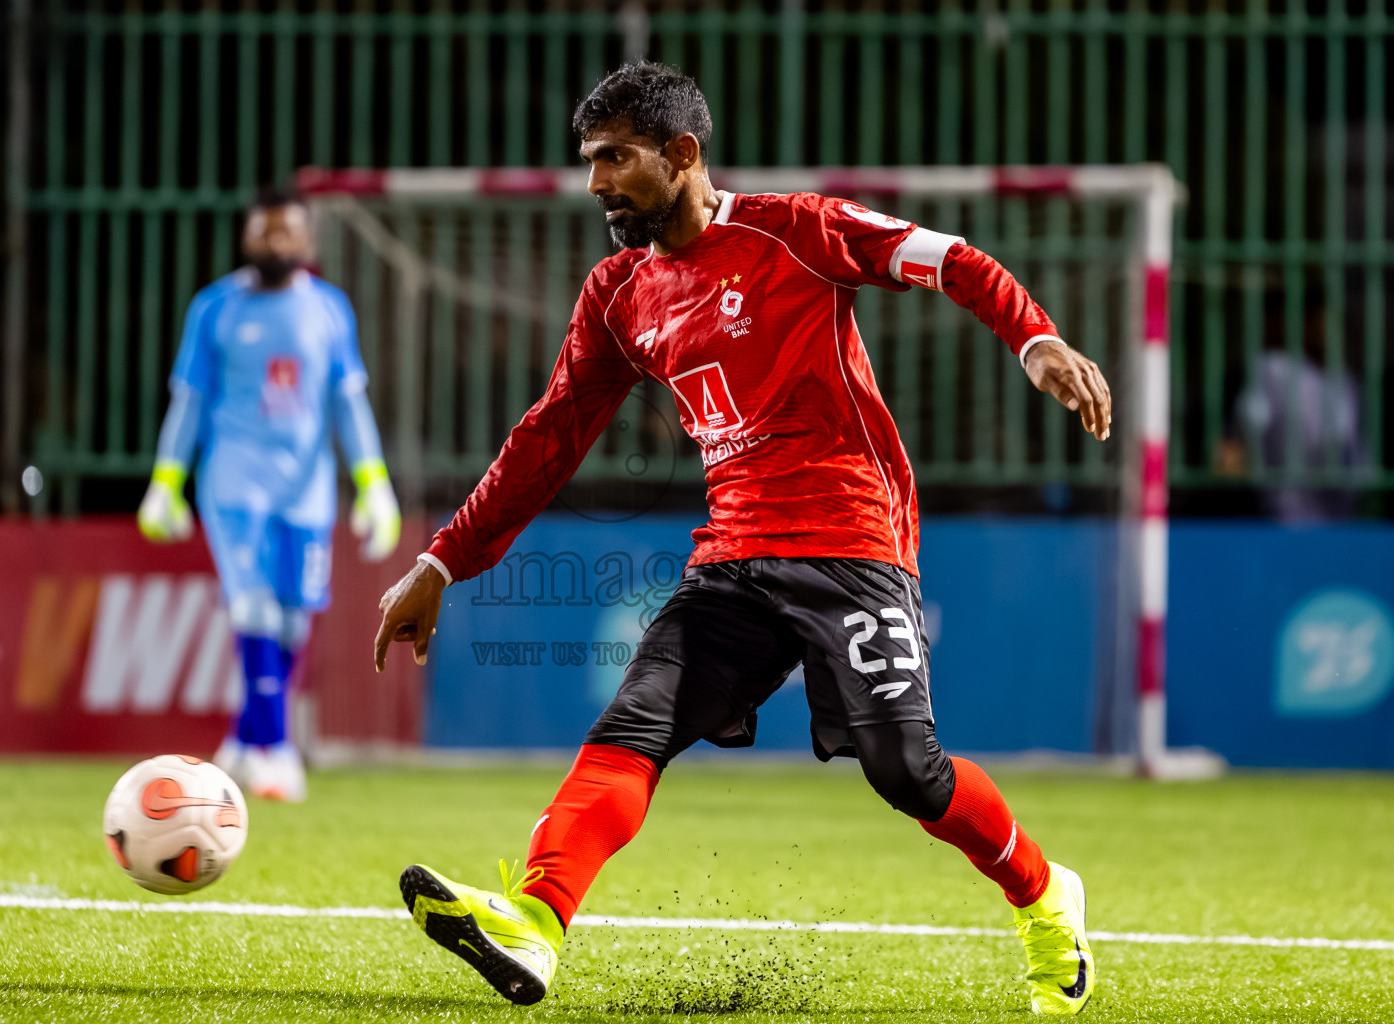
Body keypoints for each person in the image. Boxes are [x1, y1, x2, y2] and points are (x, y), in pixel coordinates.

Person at [376, 63, 1111, 1015]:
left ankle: (1048, 895)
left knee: (907, 771)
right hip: (731, 554)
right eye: (589, 161)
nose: (596, 182)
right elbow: (547, 438)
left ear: (683, 155)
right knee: (629, 731)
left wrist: (1035, 338)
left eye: (616, 159)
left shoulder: (799, 231)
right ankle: (535, 921)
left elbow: (952, 258)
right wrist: (443, 561)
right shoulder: (618, 294)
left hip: (853, 537)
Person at [139, 185, 401, 802]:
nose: (274, 242)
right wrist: (165, 483)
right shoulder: (214, 308)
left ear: (307, 241)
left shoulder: (330, 311)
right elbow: (191, 401)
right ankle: (278, 751)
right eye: (263, 231)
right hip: (234, 483)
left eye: (286, 232)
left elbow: (347, 402)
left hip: (306, 493)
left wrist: (373, 484)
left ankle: (242, 738)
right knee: (253, 609)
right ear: (246, 236)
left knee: (291, 623)